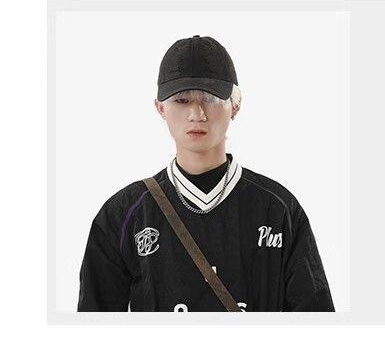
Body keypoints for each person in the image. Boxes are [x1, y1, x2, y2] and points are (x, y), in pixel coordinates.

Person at [78, 34, 334, 312]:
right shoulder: (123, 214)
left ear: (235, 105)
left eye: (211, 98)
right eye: (181, 100)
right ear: (160, 108)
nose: (197, 113)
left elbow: (316, 323)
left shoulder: (278, 209)